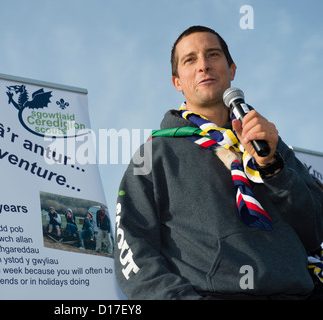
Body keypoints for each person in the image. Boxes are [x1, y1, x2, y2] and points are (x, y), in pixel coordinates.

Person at [114, 25, 323, 300]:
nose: (203, 65)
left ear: (232, 69)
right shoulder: (154, 155)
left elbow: (315, 230)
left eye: (212, 55)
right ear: (177, 82)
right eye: (190, 59)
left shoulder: (269, 142)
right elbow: (131, 245)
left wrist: (273, 167)